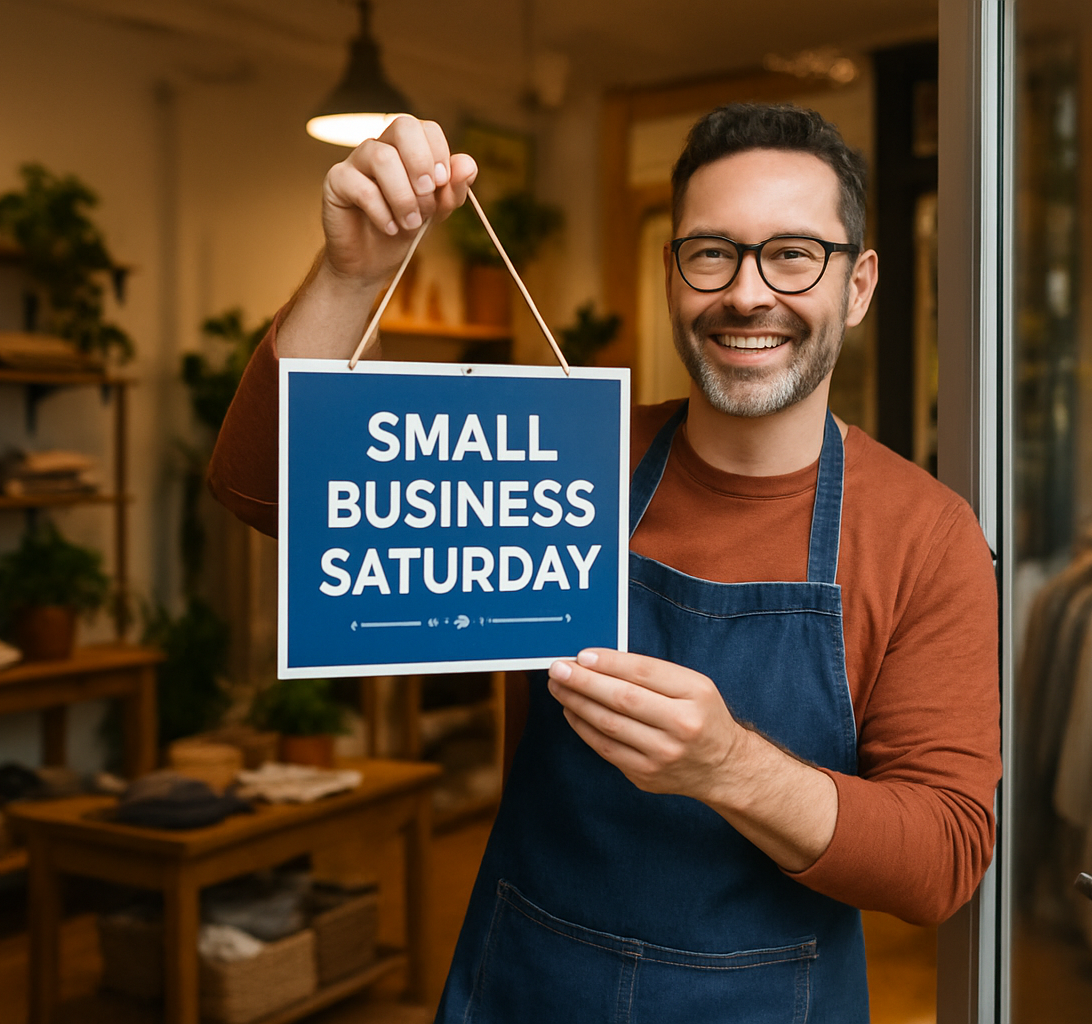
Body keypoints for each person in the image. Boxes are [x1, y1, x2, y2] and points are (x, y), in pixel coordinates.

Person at [209, 103, 1000, 1022]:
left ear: (858, 285)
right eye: (712, 252)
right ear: (673, 276)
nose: (747, 293)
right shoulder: (563, 453)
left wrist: (731, 768)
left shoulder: (926, 535)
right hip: (527, 982)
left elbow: (941, 857)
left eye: (792, 254)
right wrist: (354, 276)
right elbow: (267, 492)